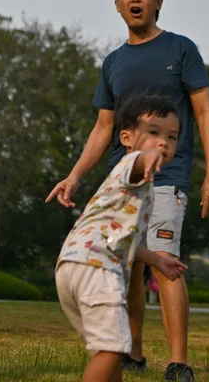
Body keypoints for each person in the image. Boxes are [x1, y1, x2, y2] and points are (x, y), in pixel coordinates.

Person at [47, 0, 209, 382]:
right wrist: (73, 176)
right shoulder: (113, 63)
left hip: (169, 177)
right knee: (127, 263)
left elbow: (203, 110)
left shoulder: (181, 50)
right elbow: (103, 128)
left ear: (159, 2)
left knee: (165, 261)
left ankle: (179, 363)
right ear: (117, 4)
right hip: (122, 181)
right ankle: (133, 352)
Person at [56, 94, 189, 382]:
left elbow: (123, 238)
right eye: (153, 132)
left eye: (171, 136)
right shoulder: (132, 166)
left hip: (73, 266)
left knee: (111, 350)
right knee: (112, 349)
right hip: (96, 267)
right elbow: (143, 159)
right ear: (126, 137)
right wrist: (149, 155)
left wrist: (157, 260)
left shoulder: (133, 192)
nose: (163, 142)